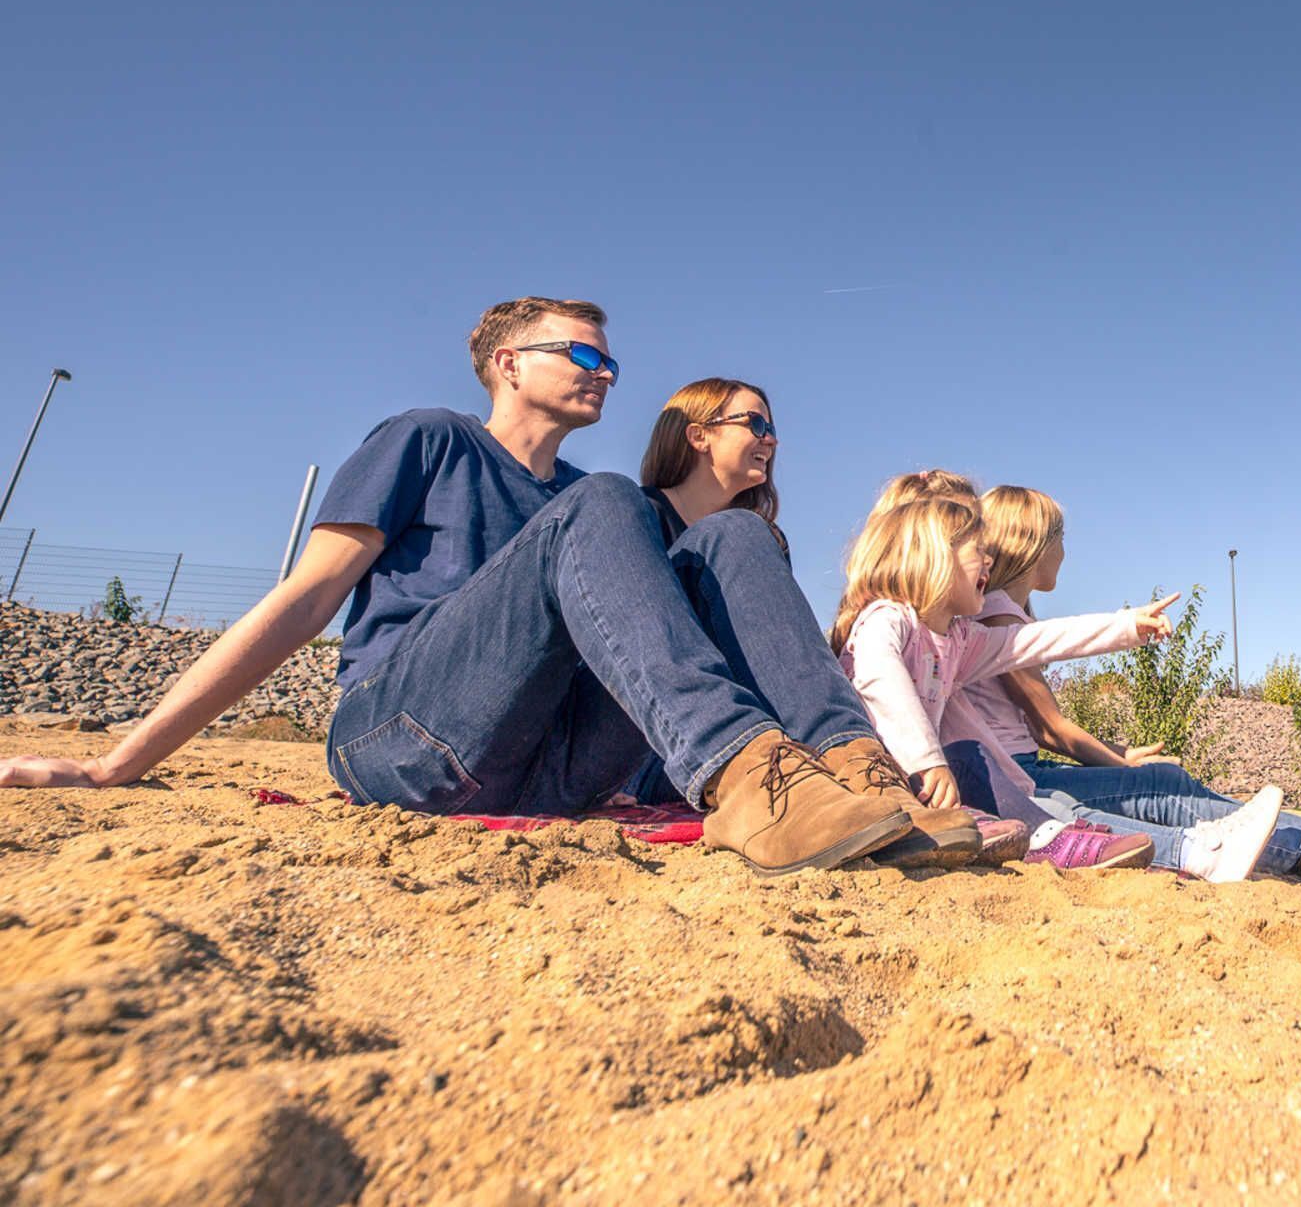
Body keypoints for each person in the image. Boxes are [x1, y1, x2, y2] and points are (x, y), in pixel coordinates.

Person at [0, 299, 973, 877]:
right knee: (606, 505)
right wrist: (122, 760)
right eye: (582, 352)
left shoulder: (605, 514)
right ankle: (748, 779)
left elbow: (653, 657)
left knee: (730, 533)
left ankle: (854, 774)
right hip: (402, 731)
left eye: (612, 360)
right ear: (510, 362)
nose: (605, 369)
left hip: (545, 763)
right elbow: (304, 599)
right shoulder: (432, 439)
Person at [631, 377, 1027, 866]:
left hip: (756, 741)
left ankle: (856, 768)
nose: (770, 439)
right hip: (659, 744)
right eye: (754, 423)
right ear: (698, 435)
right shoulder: (636, 522)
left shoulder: (757, 543)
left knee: (742, 533)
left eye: (771, 427)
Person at [974, 484, 1301, 892]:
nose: (1064, 552)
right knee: (1165, 793)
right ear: (1031, 546)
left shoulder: (1000, 615)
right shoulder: (999, 619)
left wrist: (1122, 754)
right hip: (1021, 776)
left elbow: (1035, 728)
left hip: (1021, 767)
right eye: (1059, 538)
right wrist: (1120, 759)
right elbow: (1051, 729)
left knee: (1164, 783)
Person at [831, 496, 1286, 881]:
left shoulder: (957, 642)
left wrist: (1127, 625)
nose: (988, 561)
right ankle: (1181, 851)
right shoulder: (887, 620)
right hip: (883, 781)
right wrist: (927, 762)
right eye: (976, 551)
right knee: (977, 765)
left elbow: (1038, 640)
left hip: (929, 784)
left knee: (977, 762)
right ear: (932, 556)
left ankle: (1176, 851)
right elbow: (879, 678)